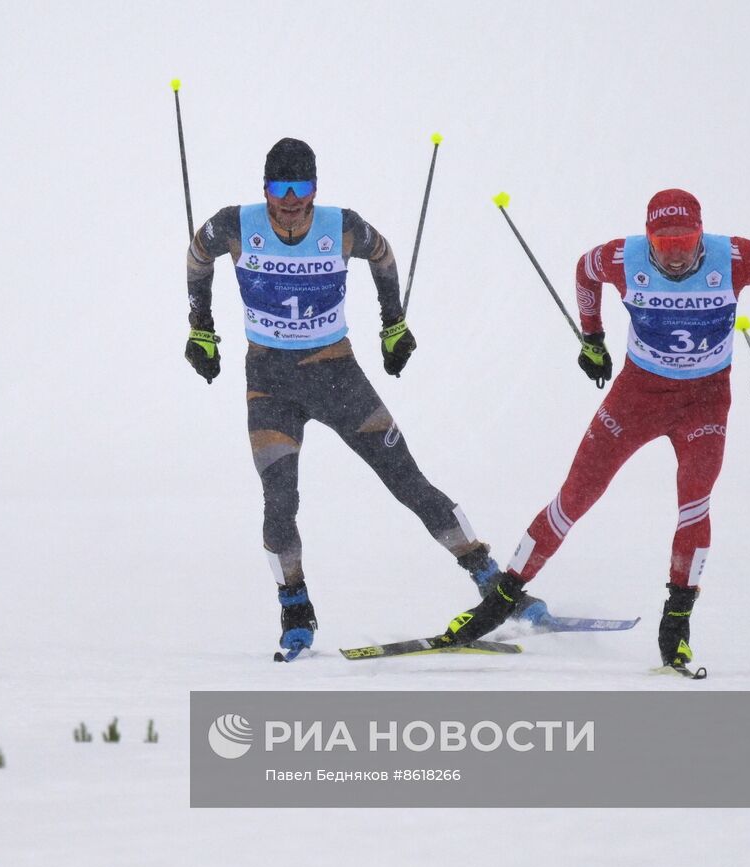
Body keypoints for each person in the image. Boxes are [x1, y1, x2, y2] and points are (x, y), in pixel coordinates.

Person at [183, 137, 536, 654]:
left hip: (338, 378)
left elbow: (384, 255)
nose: (289, 198)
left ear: (315, 188)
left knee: (408, 481)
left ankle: (489, 577)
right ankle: (295, 606)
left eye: (300, 186)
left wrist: (393, 325)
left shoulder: (340, 225)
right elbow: (197, 255)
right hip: (269, 385)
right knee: (280, 502)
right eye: (278, 187)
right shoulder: (237, 224)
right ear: (264, 188)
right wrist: (201, 328)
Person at [431, 188, 750, 673]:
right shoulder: (624, 258)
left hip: (704, 403)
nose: (676, 254)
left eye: (685, 241)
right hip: (637, 397)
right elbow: (585, 270)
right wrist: (593, 339)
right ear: (649, 238)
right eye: (663, 244)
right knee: (576, 495)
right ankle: (500, 600)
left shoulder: (736, 257)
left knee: (694, 502)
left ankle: (677, 623)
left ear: (700, 233)